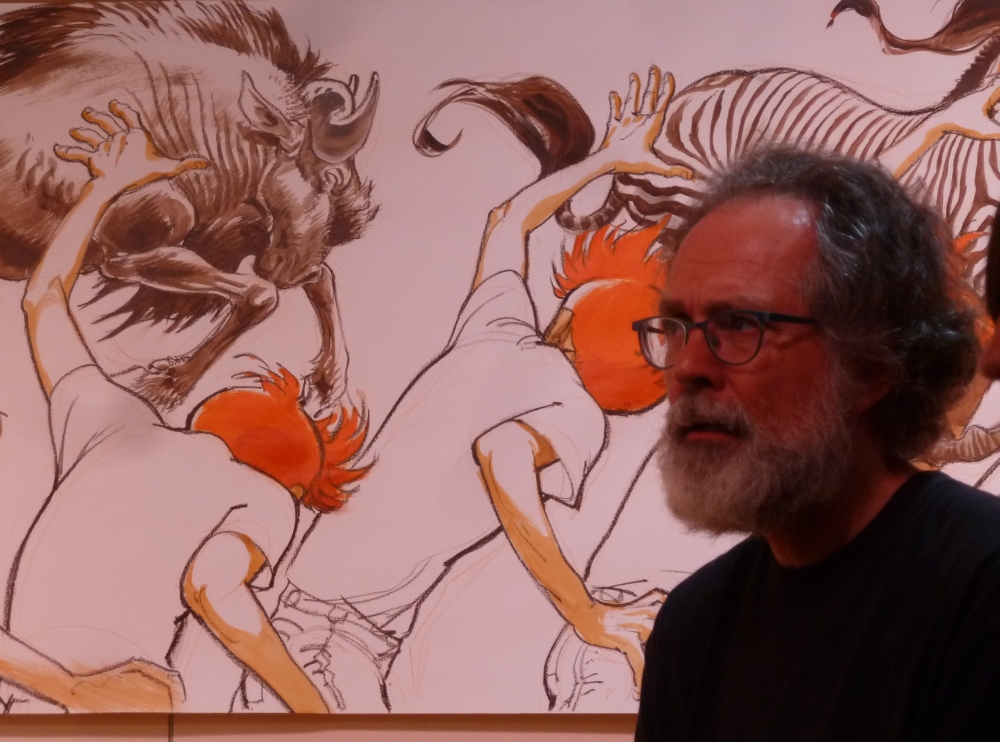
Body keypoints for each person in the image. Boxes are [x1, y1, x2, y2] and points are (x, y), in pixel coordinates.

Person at [243, 67, 692, 713]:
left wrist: (609, 159)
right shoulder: (571, 408)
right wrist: (585, 612)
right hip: (336, 635)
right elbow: (500, 453)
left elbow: (508, 220)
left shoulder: (497, 331)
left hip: (304, 616)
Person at [5, 101, 367, 712]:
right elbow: (213, 589)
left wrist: (106, 186)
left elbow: (42, 299)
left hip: (33, 694)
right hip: (115, 704)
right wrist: (315, 711)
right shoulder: (263, 496)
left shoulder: (114, 423)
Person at [634, 147, 1000, 741]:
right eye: (676, 327)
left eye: (740, 325)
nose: (688, 367)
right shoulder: (693, 625)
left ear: (871, 365)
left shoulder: (980, 586)